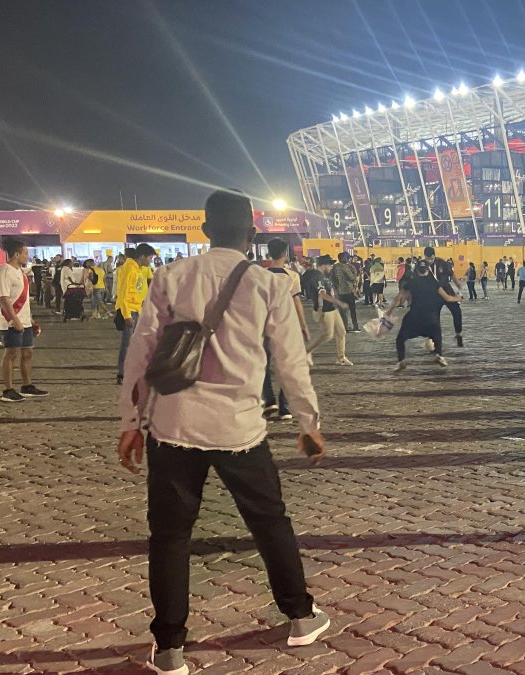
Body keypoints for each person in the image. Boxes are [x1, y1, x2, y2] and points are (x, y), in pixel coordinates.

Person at [116, 191, 329, 675]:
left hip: (174, 425)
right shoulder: (267, 284)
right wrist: (308, 424)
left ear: (205, 229)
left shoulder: (170, 276)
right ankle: (299, 616)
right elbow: (292, 363)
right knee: (269, 522)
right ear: (251, 235)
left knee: (169, 536)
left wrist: (131, 424)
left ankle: (169, 647)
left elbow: (141, 355)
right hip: (240, 429)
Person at [0, 239, 49, 403]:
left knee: (27, 353)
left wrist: (29, 319)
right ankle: (8, 389)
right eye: (25, 253)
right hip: (11, 321)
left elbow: (23, 299)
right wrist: (15, 319)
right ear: (16, 254)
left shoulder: (21, 272)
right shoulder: (5, 271)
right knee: (11, 354)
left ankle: (27, 386)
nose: (28, 256)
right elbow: (4, 299)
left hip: (25, 320)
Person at [263, 238, 310, 422]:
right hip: (286, 324)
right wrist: (304, 326)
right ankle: (284, 407)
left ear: (269, 253)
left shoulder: (261, 274)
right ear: (285, 254)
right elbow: (296, 301)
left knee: (263, 365)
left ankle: (268, 400)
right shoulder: (292, 276)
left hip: (264, 324)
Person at [388, 259, 459, 370]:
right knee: (437, 334)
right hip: (430, 317)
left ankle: (401, 360)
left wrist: (389, 311)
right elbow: (447, 298)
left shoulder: (411, 282)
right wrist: (458, 298)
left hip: (414, 316)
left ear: (416, 270)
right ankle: (439, 355)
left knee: (400, 339)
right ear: (428, 270)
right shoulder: (434, 283)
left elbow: (398, 299)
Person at [115, 244, 156, 385]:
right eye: (150, 258)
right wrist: (127, 315)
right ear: (142, 256)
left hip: (136, 309)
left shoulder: (137, 269)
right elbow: (124, 293)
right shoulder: (130, 270)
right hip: (129, 310)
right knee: (127, 344)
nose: (150, 261)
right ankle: (123, 373)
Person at [305, 256, 352, 366]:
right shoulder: (317, 276)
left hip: (332, 308)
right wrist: (339, 302)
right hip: (325, 309)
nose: (331, 267)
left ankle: (341, 358)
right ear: (324, 265)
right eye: (330, 264)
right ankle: (306, 351)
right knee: (327, 335)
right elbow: (322, 294)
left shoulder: (324, 276)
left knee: (341, 332)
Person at [421, 247, 465, 347]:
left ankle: (458, 334)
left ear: (434, 255)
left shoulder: (441, 262)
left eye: (431, 258)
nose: (429, 260)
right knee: (433, 317)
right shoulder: (422, 265)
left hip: (446, 290)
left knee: (457, 311)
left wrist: (457, 284)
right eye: (427, 258)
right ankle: (433, 341)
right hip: (432, 294)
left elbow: (451, 274)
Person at [331, 251, 361, 333]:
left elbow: (332, 278)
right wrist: (354, 273)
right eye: (347, 258)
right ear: (344, 258)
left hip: (340, 292)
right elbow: (352, 278)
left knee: (343, 311)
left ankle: (345, 327)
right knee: (352, 310)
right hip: (348, 291)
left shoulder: (335, 266)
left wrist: (337, 287)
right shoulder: (345, 267)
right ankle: (355, 326)